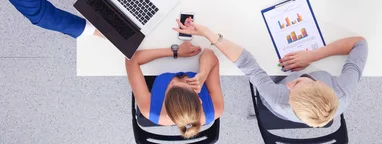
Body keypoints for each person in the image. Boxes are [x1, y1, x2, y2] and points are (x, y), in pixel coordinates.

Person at [173, 19, 367, 127]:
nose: (288, 83)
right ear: (322, 85)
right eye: (297, 84)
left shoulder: (279, 99)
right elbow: (360, 43)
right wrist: (313, 56)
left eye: (292, 88)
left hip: (274, 101)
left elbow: (248, 65)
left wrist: (209, 34)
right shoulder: (342, 92)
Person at [125, 42, 224, 138]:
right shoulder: (216, 109)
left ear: (165, 106)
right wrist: (203, 74)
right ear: (199, 99)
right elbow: (209, 53)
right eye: (186, 83)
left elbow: (131, 59)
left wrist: (174, 52)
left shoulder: (149, 110)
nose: (173, 81)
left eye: (171, 86)